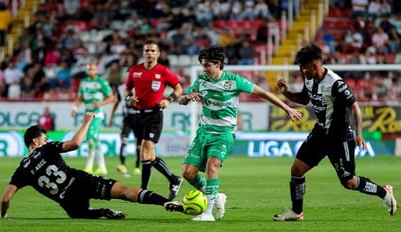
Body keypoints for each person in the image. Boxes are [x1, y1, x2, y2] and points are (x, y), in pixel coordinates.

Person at [177, 45, 303, 221]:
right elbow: (181, 100)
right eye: (203, 65)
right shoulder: (200, 82)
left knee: (212, 166)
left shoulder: (234, 81)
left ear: (218, 64)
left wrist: (287, 108)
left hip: (224, 133)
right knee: (187, 173)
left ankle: (208, 213)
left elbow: (263, 93)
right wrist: (187, 97)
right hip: (203, 132)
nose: (204, 69)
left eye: (207, 65)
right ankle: (217, 195)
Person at [273, 44, 397, 221]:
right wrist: (286, 92)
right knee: (297, 169)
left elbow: (355, 107)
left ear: (315, 66)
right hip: (320, 133)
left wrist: (359, 133)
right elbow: (304, 98)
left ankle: (383, 192)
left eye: (304, 67)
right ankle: (296, 212)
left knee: (349, 182)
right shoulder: (308, 79)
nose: (301, 70)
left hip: (340, 137)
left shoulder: (335, 83)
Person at [0, 112, 184, 219]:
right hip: (80, 182)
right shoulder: (45, 148)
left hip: (68, 202)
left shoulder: (21, 169)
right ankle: (165, 202)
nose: (47, 140)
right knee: (126, 192)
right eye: (45, 138)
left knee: (80, 213)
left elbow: (6, 199)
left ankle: (103, 212)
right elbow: (75, 144)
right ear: (35, 141)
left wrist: (3, 216)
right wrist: (87, 122)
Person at [125, 40, 183, 200]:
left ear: (158, 54)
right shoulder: (134, 70)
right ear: (143, 53)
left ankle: (143, 190)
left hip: (155, 115)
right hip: (139, 115)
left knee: (145, 152)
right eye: (147, 51)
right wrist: (129, 97)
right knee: (148, 156)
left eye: (152, 51)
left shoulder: (163, 71)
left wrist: (169, 100)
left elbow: (178, 87)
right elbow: (127, 89)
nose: (149, 53)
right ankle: (174, 179)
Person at [71, 62, 114, 175]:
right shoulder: (84, 82)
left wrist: (101, 103)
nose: (91, 71)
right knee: (95, 140)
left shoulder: (101, 82)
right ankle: (102, 167)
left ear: (96, 70)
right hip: (87, 113)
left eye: (93, 69)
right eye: (89, 69)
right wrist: (75, 108)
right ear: (87, 70)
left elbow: (111, 97)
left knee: (90, 139)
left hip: (97, 114)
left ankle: (89, 166)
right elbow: (80, 97)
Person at [108, 87, 141, 177]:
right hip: (126, 119)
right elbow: (117, 102)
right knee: (124, 140)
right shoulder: (120, 88)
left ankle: (137, 167)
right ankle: (122, 165)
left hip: (139, 118)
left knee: (139, 144)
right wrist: (111, 116)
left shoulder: (140, 84)